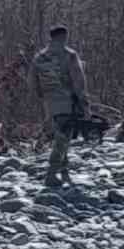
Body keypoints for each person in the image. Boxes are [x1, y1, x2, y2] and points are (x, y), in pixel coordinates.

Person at [31, 24, 90, 187]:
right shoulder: (69, 55)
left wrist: (43, 98)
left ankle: (64, 171)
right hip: (67, 102)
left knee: (60, 136)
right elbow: (79, 82)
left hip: (49, 103)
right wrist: (84, 103)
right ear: (64, 36)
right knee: (63, 138)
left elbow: (33, 82)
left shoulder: (40, 57)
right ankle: (51, 173)